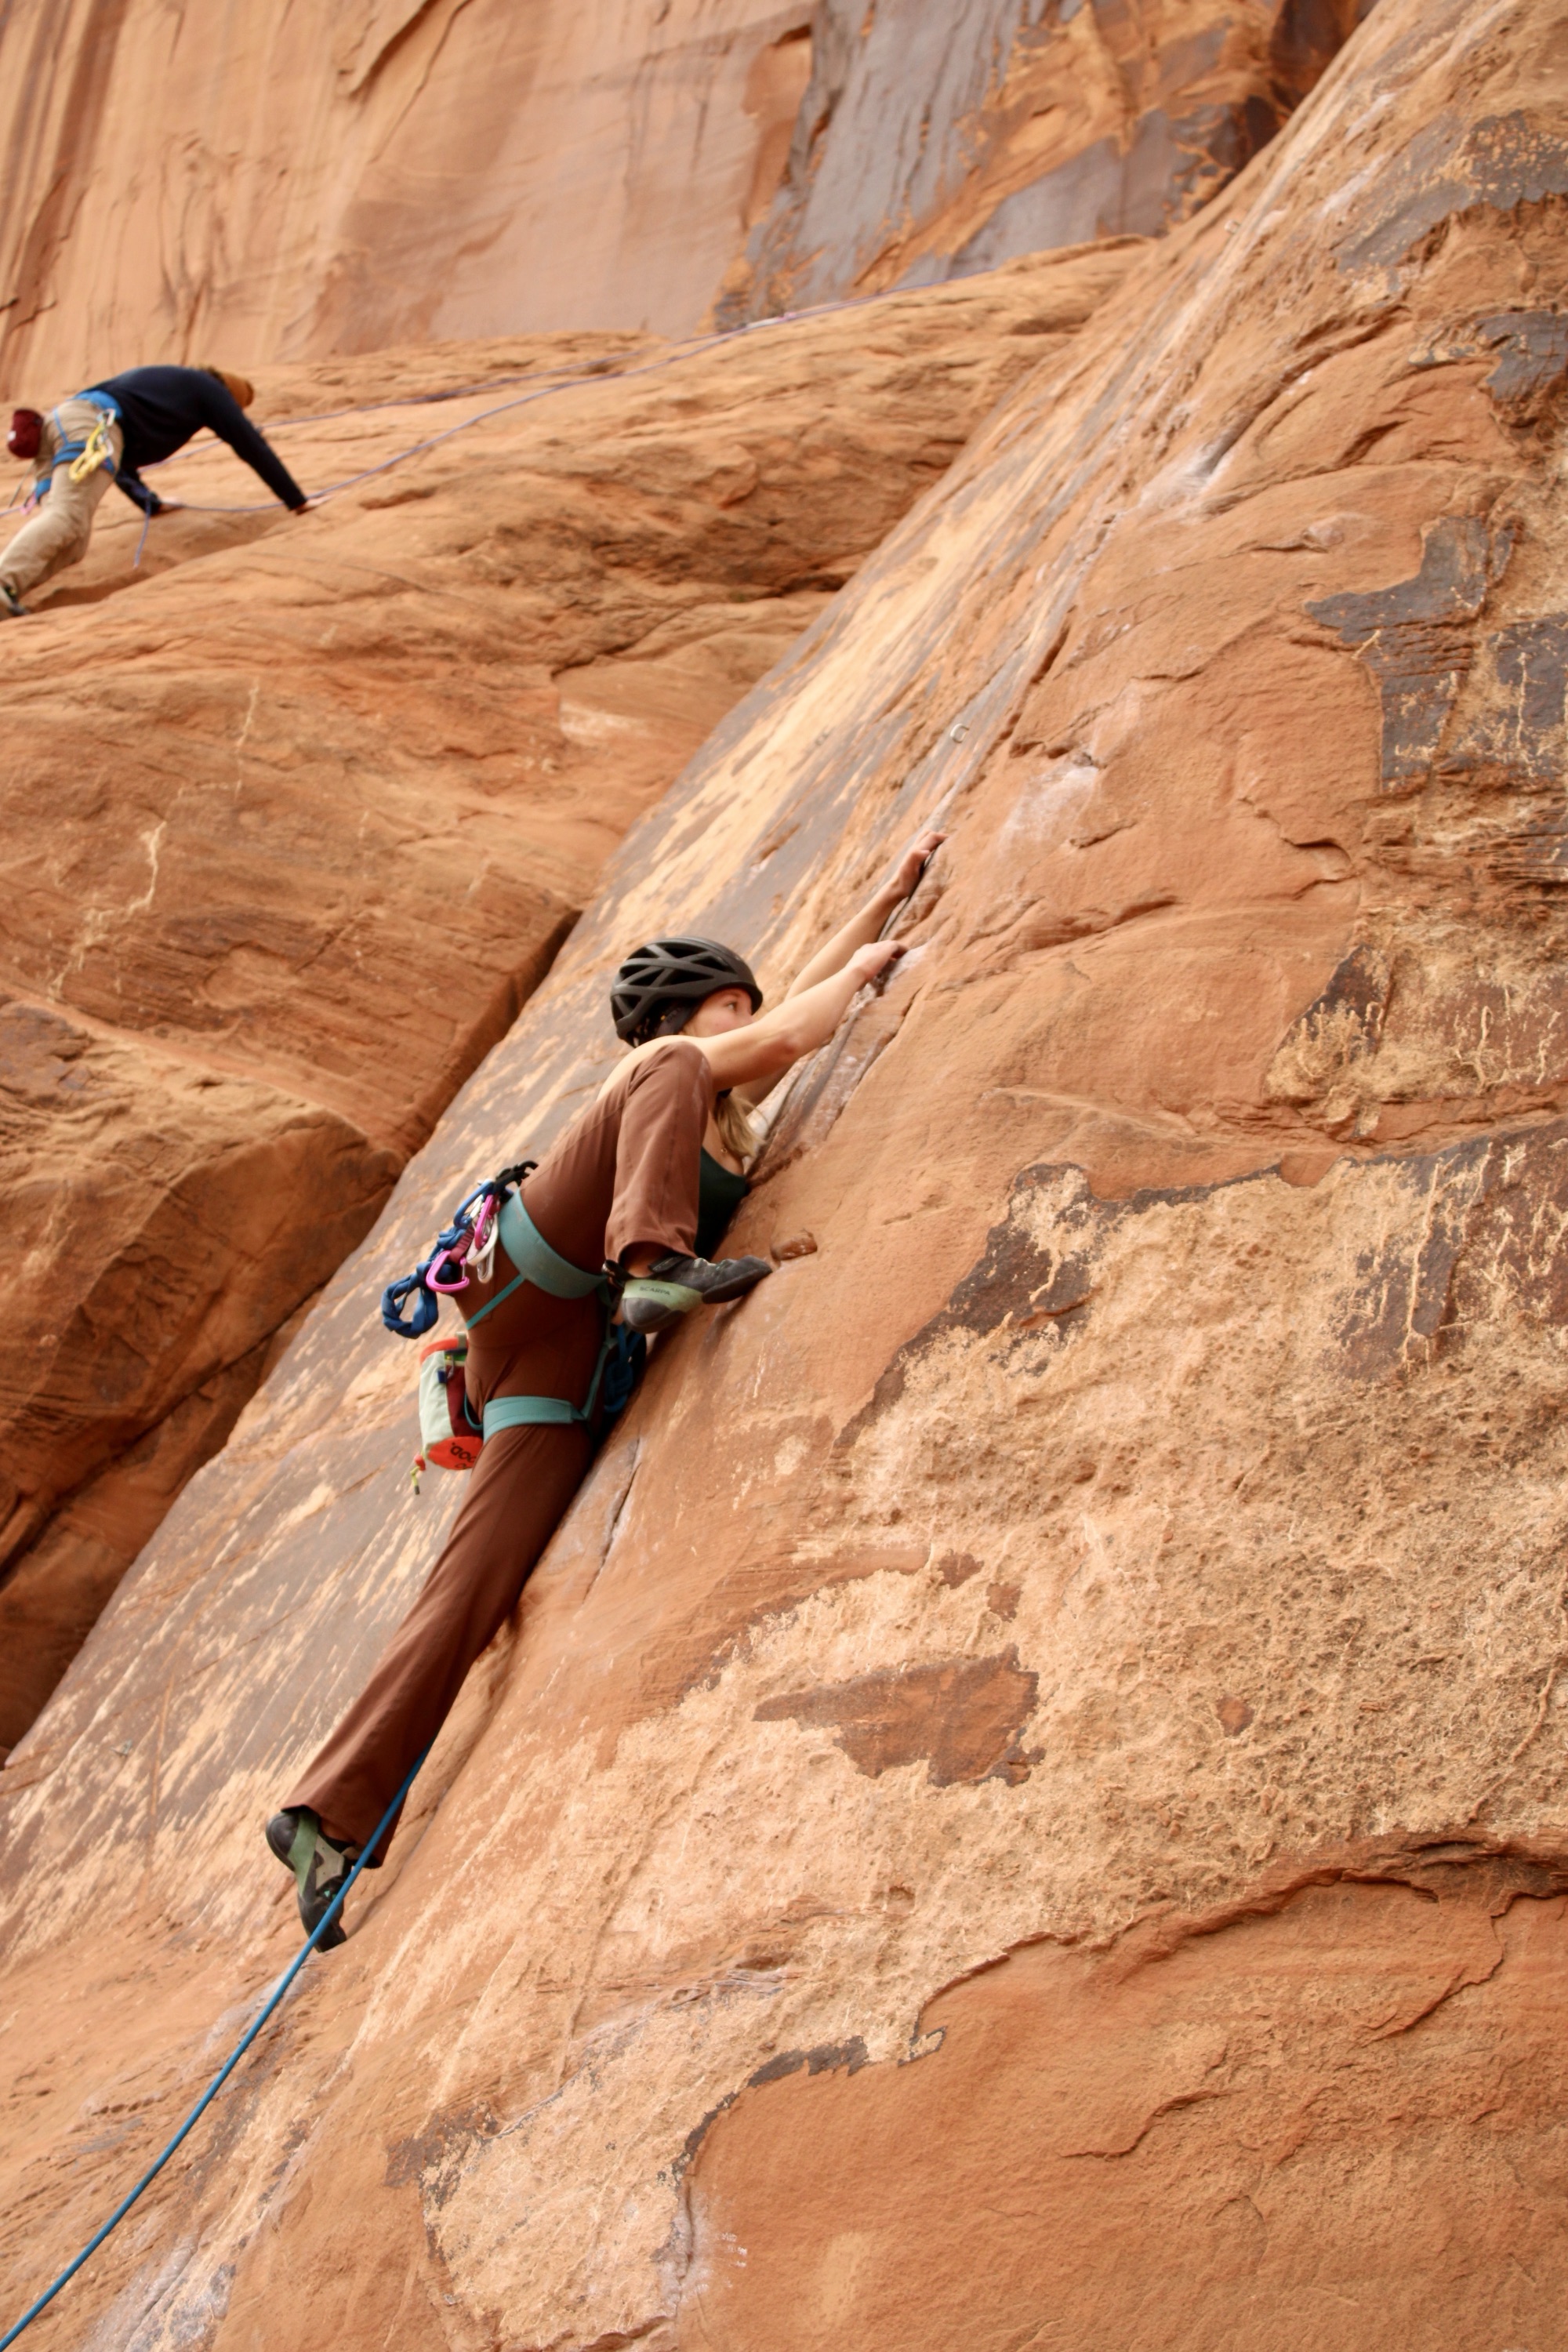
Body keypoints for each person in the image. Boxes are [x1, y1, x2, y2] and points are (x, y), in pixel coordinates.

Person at [265, 826, 946, 1944]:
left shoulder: (711, 1108)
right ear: (693, 1010)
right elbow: (788, 1030)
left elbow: (786, 1014)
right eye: (732, 1006)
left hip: (547, 1367)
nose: (751, 1018)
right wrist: (873, 967)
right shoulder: (662, 1070)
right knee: (674, 1074)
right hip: (538, 1276)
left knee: (471, 1585)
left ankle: (325, 1818)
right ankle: (654, 1265)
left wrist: (886, 895)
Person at [1, 364, 307, 616]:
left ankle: (8, 597)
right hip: (87, 426)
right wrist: (296, 500)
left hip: (65, 425)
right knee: (66, 518)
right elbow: (250, 444)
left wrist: (150, 502)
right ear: (229, 396)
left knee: (74, 539)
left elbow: (120, 456)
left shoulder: (170, 389)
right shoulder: (208, 388)